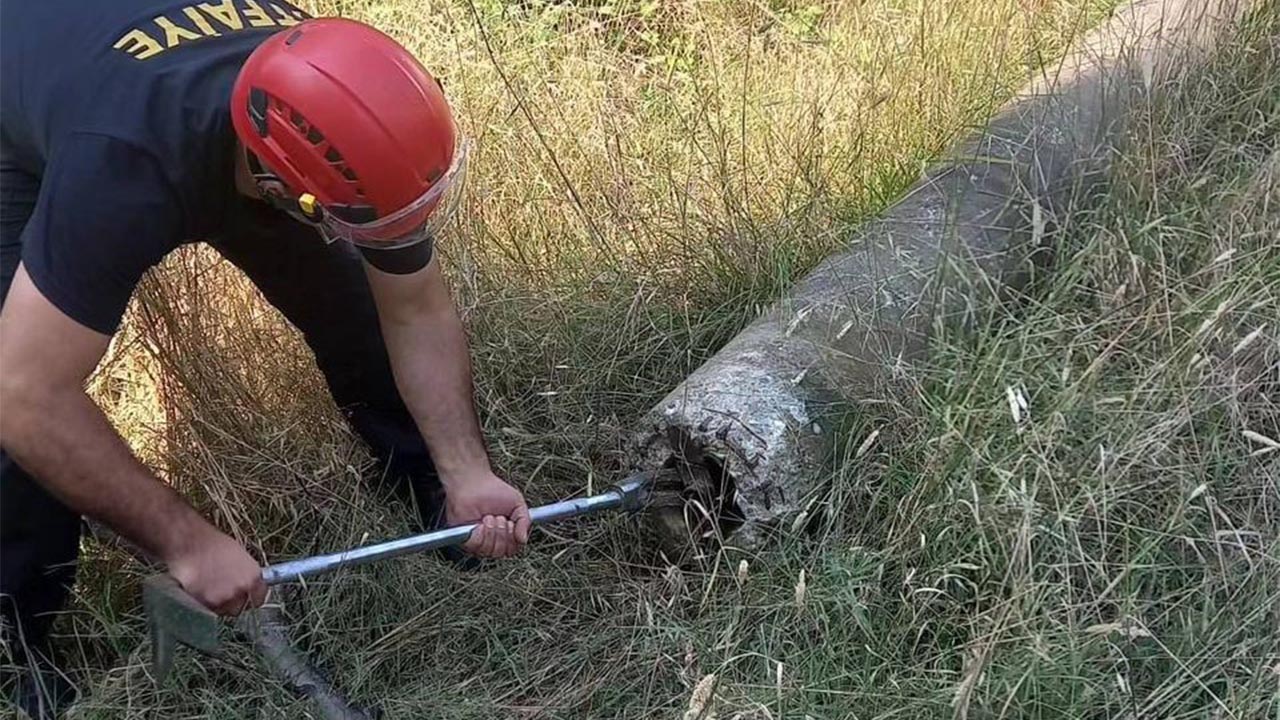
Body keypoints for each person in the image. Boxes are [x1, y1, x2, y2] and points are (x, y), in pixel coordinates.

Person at [0, 2, 532, 716]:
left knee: (357, 314)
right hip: (34, 94)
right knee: (17, 410)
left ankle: (438, 505)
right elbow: (24, 394)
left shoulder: (343, 110)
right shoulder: (125, 165)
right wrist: (186, 541)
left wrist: (466, 468)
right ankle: (17, 645)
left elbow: (415, 307)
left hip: (151, 90)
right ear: (283, 186)